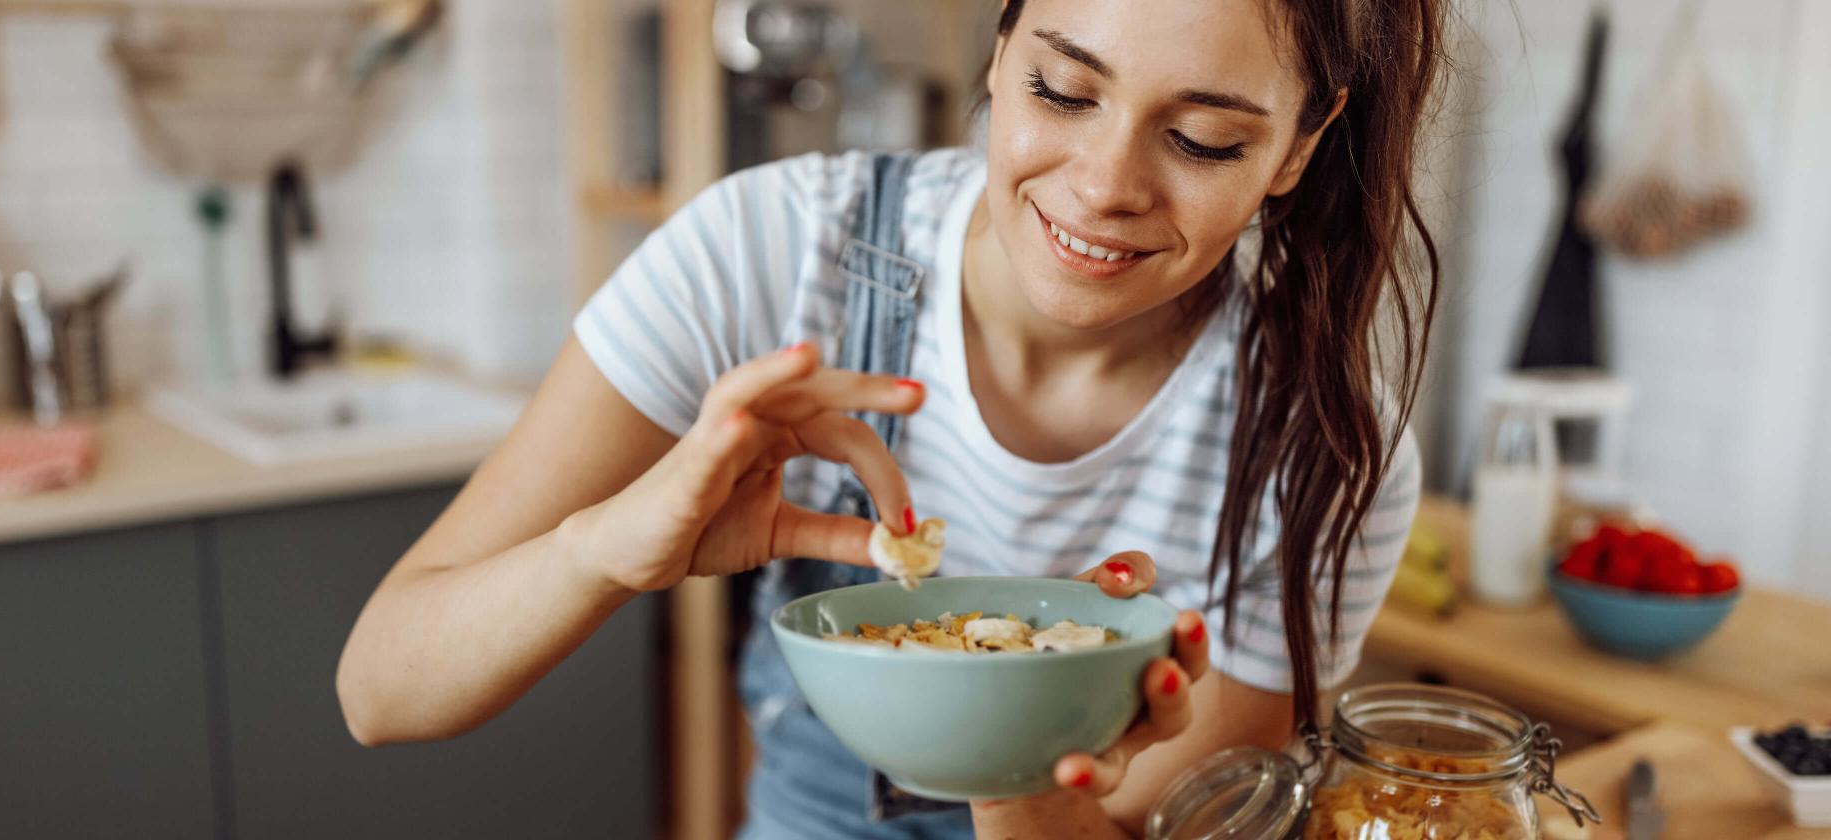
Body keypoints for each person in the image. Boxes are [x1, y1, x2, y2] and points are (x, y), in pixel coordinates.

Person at [336, 0, 1445, 835]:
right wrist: (608, 549)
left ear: (1299, 145)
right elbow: (383, 689)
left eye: (1203, 138)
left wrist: (1026, 748)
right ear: (1001, 50)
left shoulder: (1325, 454)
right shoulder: (772, 253)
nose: (1106, 184)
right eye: (1062, 89)